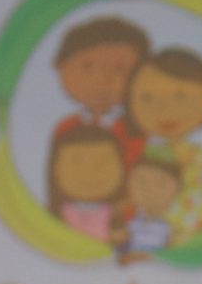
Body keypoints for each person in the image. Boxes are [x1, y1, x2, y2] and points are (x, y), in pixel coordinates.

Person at [126, 47, 202, 245]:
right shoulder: (149, 152)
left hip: (199, 229)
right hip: (158, 234)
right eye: (148, 98)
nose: (165, 108)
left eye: (181, 96)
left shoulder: (201, 154)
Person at [50, 15, 149, 170]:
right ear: (60, 67)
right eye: (87, 67)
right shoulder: (65, 128)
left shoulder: (138, 131)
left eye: (120, 69)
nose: (102, 80)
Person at [47, 122, 128, 244]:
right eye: (76, 164)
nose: (89, 173)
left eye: (102, 164)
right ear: (55, 169)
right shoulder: (57, 214)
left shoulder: (114, 214)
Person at [114, 149, 182, 262]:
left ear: (177, 188)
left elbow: (170, 252)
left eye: (161, 184)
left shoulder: (171, 225)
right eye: (141, 181)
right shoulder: (130, 219)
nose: (149, 190)